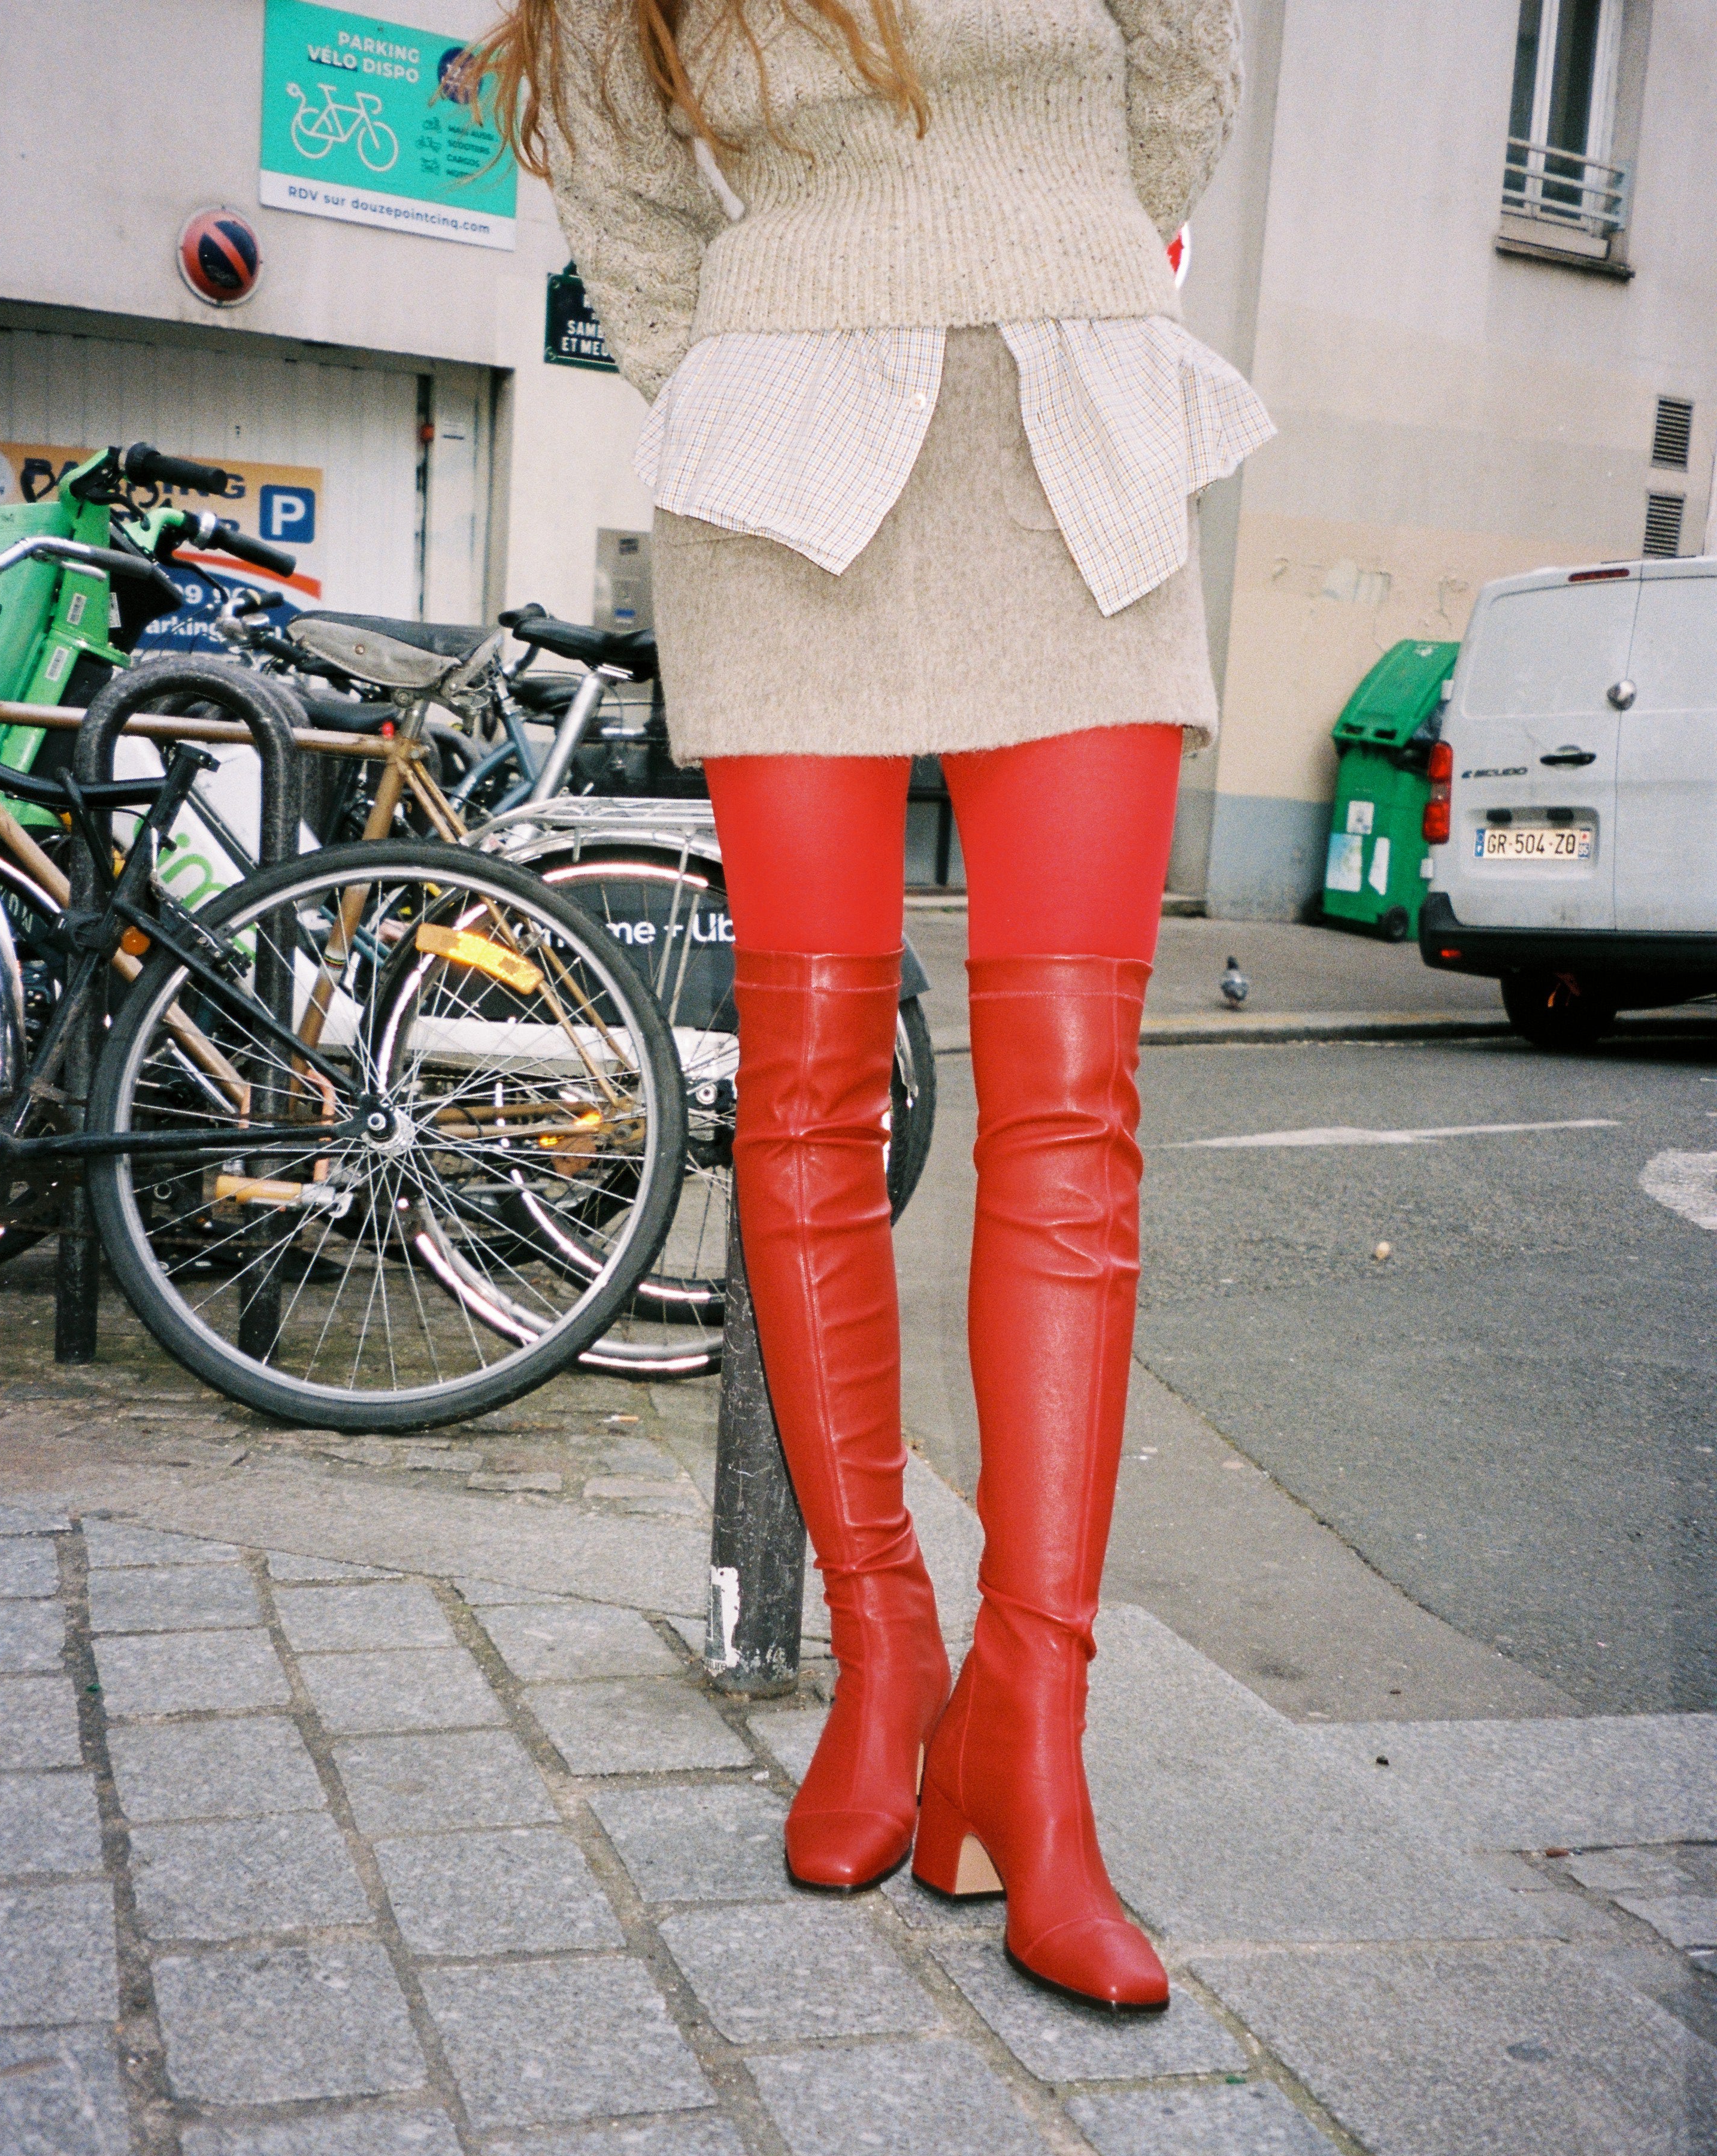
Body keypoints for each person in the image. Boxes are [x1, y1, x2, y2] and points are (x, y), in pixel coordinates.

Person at [484, 0, 1271, 2012]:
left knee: (1072, 1099)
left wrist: (1041, 254)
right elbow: (618, 177)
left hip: (1073, 422)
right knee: (814, 1085)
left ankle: (1033, 1720)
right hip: (780, 480)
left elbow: (1178, 83)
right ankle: (884, 1645)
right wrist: (771, 354)